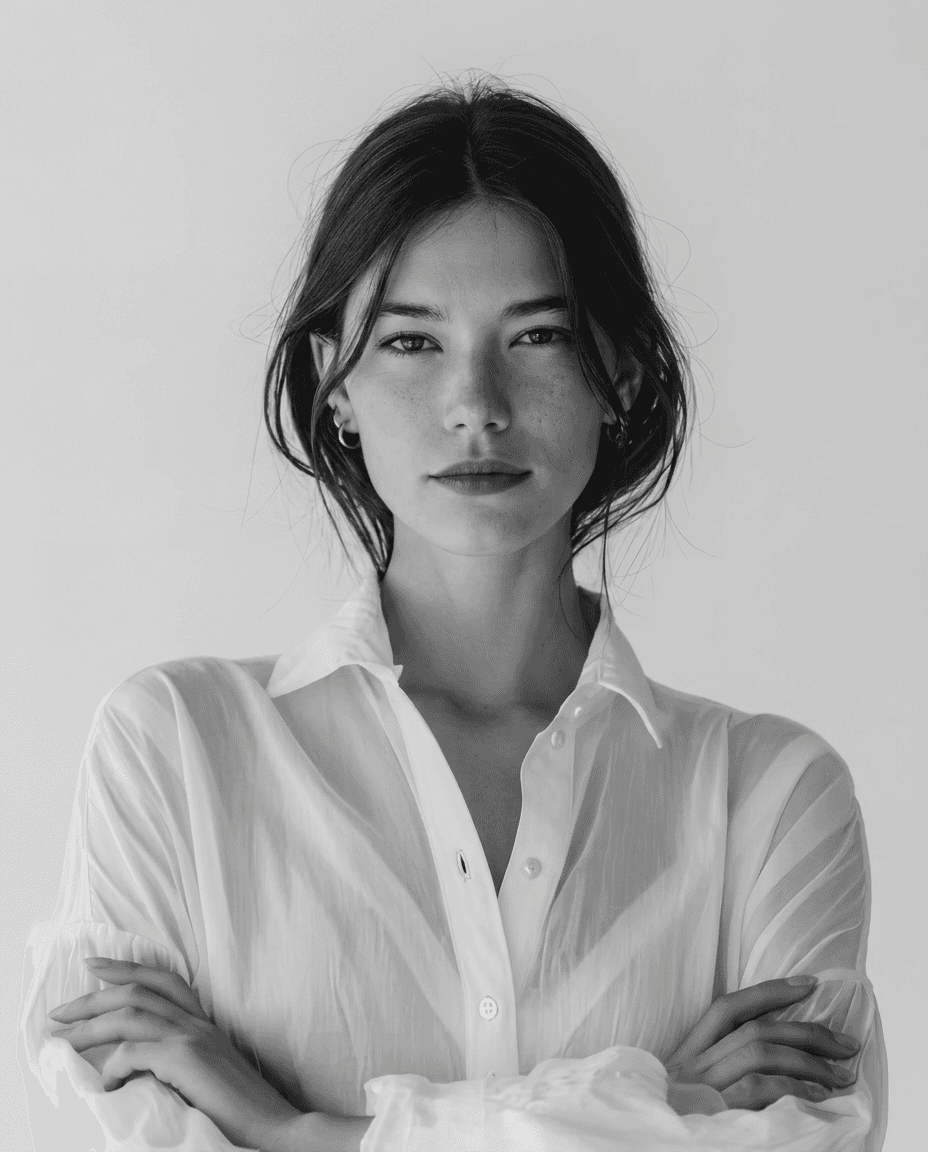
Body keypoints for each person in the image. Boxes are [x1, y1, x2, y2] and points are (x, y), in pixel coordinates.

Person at [19, 75, 887, 1151]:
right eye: (411, 341)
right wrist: (654, 1110)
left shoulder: (769, 798)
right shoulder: (175, 750)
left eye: (536, 337)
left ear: (618, 368)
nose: (475, 401)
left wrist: (294, 1131)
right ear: (331, 378)